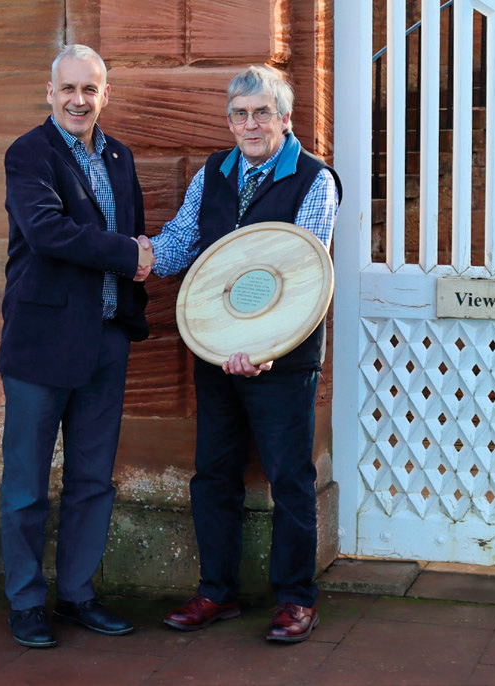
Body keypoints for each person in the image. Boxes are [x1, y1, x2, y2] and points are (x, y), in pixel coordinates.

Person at [144, 65, 341, 643]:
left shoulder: (314, 181)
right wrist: (130, 254)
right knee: (214, 475)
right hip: (216, 352)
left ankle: (296, 600)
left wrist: (267, 349)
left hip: (284, 359)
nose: (250, 124)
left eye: (261, 112)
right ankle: (216, 592)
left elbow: (307, 277)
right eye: (239, 113)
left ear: (285, 118)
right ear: (228, 120)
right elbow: (182, 242)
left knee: (289, 478)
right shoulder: (213, 173)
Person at [0, 44, 154, 648]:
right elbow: (47, 232)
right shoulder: (28, 154)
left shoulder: (120, 155)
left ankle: (78, 594)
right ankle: (27, 602)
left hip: (105, 343)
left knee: (93, 481)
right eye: (69, 89)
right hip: (40, 346)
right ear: (50, 91)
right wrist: (130, 254)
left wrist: (140, 261)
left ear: (105, 95)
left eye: (90, 90)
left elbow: (130, 225)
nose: (78, 100)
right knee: (26, 485)